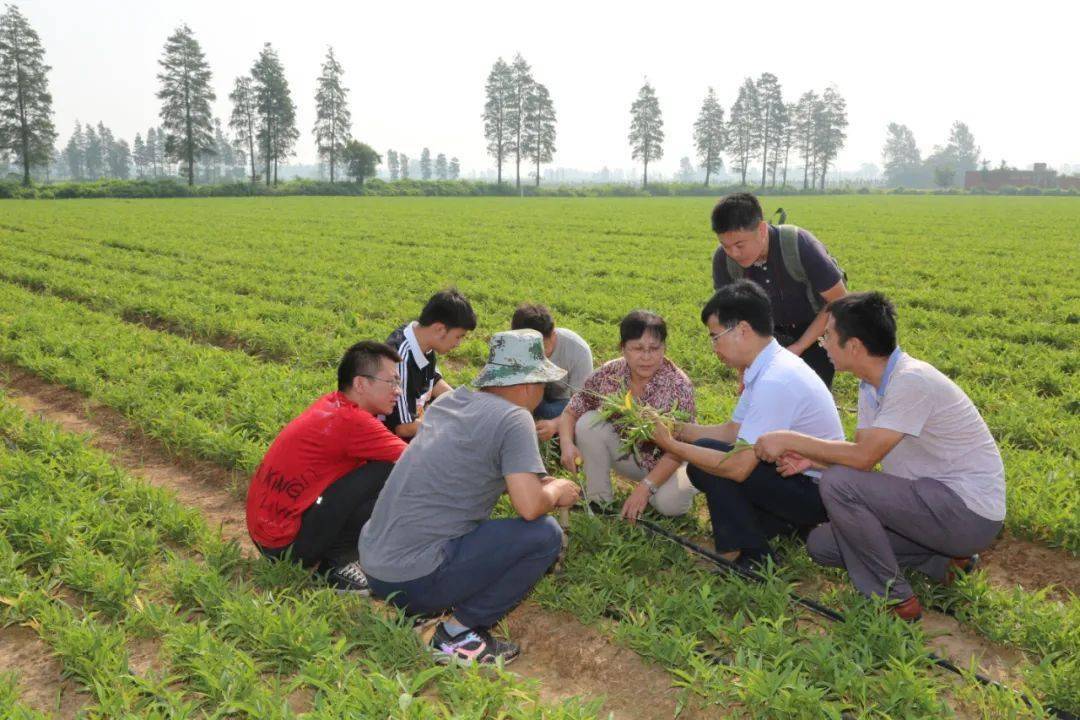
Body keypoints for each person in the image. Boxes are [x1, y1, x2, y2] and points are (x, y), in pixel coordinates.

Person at [754, 292, 1006, 621]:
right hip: (929, 507)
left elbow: (859, 460)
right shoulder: (870, 385)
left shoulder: (911, 381)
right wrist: (812, 461)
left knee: (838, 483)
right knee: (822, 544)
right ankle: (944, 563)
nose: (823, 343)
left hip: (966, 512)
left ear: (855, 346)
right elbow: (865, 458)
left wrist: (790, 439)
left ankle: (894, 599)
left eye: (828, 335)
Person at [360, 329, 581, 665]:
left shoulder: (451, 401)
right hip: (414, 577)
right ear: (527, 385)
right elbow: (530, 506)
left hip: (376, 564)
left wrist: (542, 483)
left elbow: (486, 468)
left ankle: (422, 610)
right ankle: (456, 634)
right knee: (544, 534)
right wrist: (557, 490)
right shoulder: (514, 418)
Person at [643, 281, 844, 571]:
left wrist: (672, 445)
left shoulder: (776, 379)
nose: (714, 347)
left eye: (715, 337)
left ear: (743, 330)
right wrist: (674, 427)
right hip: (795, 480)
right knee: (708, 453)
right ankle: (778, 525)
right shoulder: (767, 365)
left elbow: (738, 466)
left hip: (815, 491)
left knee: (711, 462)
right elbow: (733, 431)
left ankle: (750, 556)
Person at [245, 341, 408, 593]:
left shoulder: (332, 405)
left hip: (266, 532)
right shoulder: (353, 421)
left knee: (373, 469)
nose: (397, 391)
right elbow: (417, 460)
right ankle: (335, 567)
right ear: (361, 383)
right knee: (391, 470)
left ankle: (336, 555)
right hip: (286, 545)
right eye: (392, 382)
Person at [556, 310, 698, 521]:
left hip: (673, 462)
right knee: (587, 423)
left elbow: (677, 450)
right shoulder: (609, 374)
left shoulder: (678, 385)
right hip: (633, 457)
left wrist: (645, 488)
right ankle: (599, 502)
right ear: (622, 348)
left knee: (667, 504)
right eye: (637, 348)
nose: (646, 357)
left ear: (664, 348)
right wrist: (566, 443)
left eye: (654, 348)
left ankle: (679, 489)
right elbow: (572, 410)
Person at [711, 192, 847, 388]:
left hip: (814, 333)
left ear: (762, 229)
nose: (733, 253)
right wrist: (744, 368)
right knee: (763, 400)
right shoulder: (723, 261)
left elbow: (839, 300)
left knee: (806, 400)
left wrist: (798, 347)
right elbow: (732, 319)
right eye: (726, 246)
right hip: (764, 338)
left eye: (740, 245)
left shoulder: (799, 244)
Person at [384, 288, 477, 439]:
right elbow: (404, 427)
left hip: (416, 426)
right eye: (458, 337)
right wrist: (450, 422)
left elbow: (433, 381)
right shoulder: (401, 359)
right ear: (440, 329)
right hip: (397, 447)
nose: (459, 343)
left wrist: (463, 405)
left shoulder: (422, 340)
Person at [510, 302, 593, 441]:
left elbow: (583, 405)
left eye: (541, 350)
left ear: (553, 336)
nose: (534, 357)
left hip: (562, 402)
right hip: (529, 397)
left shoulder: (578, 351)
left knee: (553, 413)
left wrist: (555, 424)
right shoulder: (511, 344)